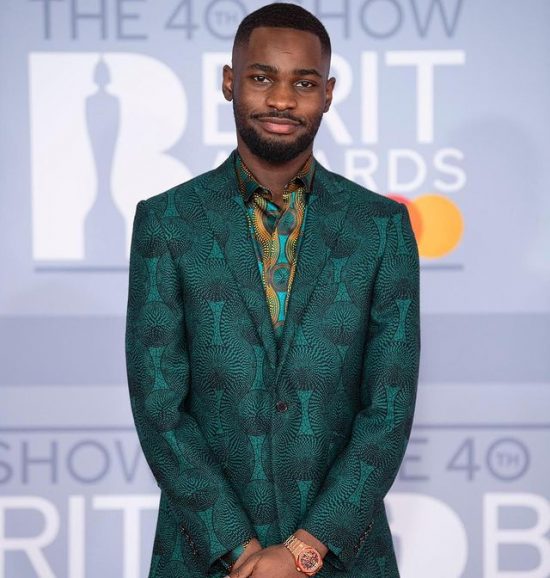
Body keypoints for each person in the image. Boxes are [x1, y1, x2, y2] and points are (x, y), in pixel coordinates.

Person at [125, 3, 420, 577]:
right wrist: (241, 551)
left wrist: (304, 550)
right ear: (229, 82)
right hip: (206, 556)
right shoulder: (167, 222)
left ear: (327, 95)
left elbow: (388, 409)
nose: (282, 100)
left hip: (344, 558)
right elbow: (159, 407)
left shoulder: (381, 228)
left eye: (304, 83)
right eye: (262, 78)